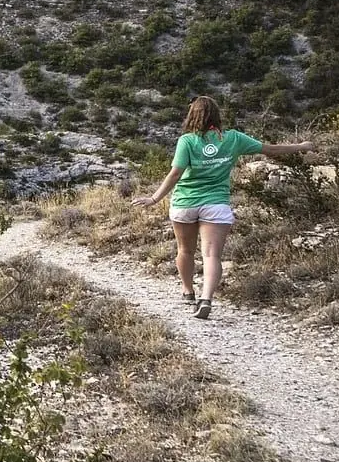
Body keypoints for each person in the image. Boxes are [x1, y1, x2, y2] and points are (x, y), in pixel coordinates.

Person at [131, 96, 314, 319]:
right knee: (211, 255)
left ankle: (188, 291)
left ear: (192, 116)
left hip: (185, 202)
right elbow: (270, 149)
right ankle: (206, 299)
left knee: (185, 250)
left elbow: (176, 173)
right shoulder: (234, 138)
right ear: (217, 116)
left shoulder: (187, 141)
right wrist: (301, 147)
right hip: (216, 204)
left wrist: (154, 198)